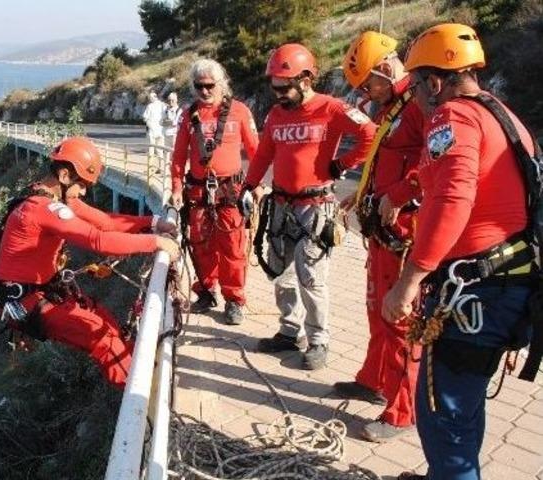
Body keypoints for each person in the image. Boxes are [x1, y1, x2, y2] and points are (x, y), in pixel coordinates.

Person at [382, 23, 540, 480]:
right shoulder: (500, 113)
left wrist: (409, 280)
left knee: (444, 412)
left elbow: (453, 198)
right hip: (506, 284)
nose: (411, 96)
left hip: (478, 294)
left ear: (434, 81)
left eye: (414, 85)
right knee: (461, 404)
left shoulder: (453, 118)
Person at [0, 136, 180, 389]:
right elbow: (98, 240)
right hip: (26, 301)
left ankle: (144, 371)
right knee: (103, 339)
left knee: (107, 320)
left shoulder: (51, 200)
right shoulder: (43, 209)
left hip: (36, 294)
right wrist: (156, 243)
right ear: (65, 175)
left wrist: (153, 224)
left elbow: (106, 223)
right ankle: (142, 402)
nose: (83, 192)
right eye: (82, 185)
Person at [244, 43, 376, 370]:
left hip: (314, 207)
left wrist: (341, 165)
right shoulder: (276, 114)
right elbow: (263, 154)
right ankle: (290, 331)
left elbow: (370, 135)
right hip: (280, 204)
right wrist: (248, 186)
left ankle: (318, 340)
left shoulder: (331, 108)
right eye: (273, 88)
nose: (277, 95)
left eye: (283, 87)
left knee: (312, 275)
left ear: (305, 80)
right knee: (281, 272)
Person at [332, 31, 427, 442]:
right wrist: (364, 191)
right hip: (384, 232)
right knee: (377, 310)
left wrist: (401, 192)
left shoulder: (422, 108)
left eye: (368, 85)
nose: (365, 95)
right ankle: (374, 378)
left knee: (401, 318)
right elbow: (385, 158)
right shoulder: (395, 107)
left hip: (406, 235)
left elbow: (441, 162)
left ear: (386, 71)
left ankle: (403, 409)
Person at [169, 58, 259, 325]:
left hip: (230, 190)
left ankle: (234, 300)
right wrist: (176, 187)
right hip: (198, 192)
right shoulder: (189, 115)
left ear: (221, 84)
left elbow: (257, 152)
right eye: (199, 86)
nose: (205, 91)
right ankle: (207, 291)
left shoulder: (240, 112)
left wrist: (257, 186)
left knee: (232, 246)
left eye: (209, 85)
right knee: (201, 245)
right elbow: (178, 156)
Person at [143, 91, 166, 159]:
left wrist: (148, 123)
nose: (150, 99)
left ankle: (151, 166)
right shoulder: (163, 105)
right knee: (160, 149)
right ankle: (161, 166)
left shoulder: (150, 106)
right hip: (160, 130)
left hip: (152, 130)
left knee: (151, 149)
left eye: (150, 98)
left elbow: (145, 117)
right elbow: (166, 116)